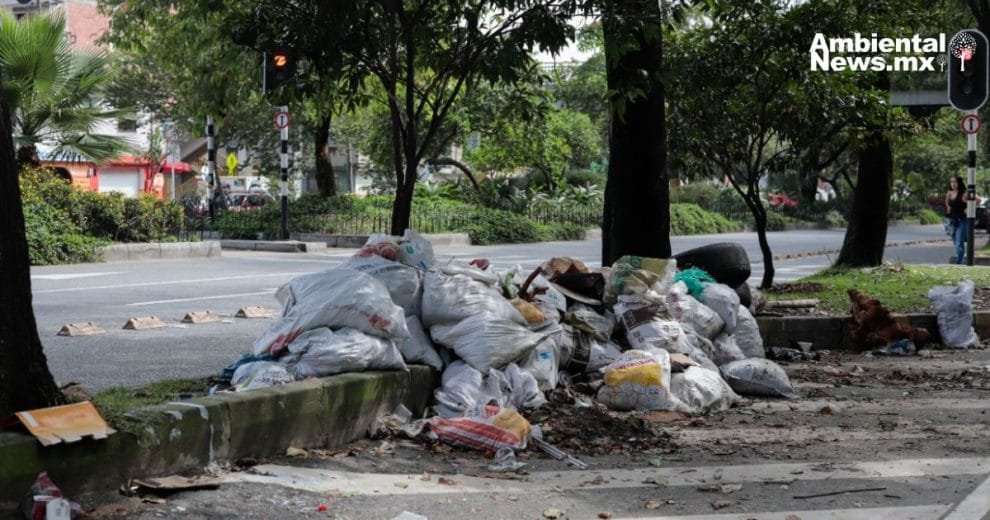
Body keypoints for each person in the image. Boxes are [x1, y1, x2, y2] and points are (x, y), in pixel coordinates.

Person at [946, 175, 971, 264]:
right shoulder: (949, 193)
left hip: (962, 220)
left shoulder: (964, 193)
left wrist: (969, 208)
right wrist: (948, 208)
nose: (953, 184)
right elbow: (948, 203)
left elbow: (977, 200)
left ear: (959, 182)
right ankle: (960, 256)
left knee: (959, 241)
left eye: (955, 182)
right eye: (951, 182)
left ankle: (958, 263)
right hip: (952, 220)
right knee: (955, 240)